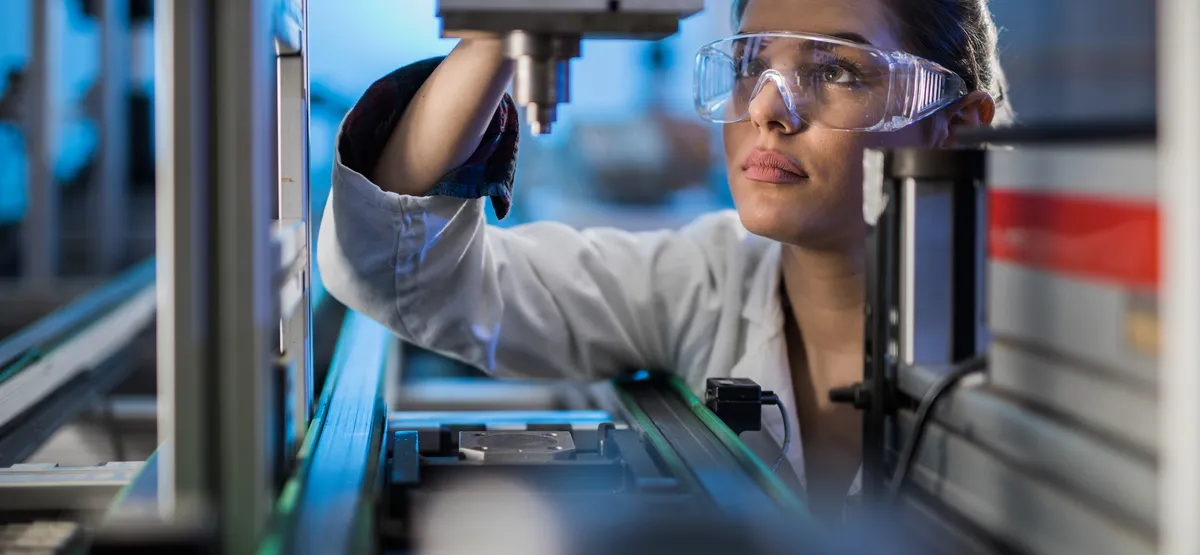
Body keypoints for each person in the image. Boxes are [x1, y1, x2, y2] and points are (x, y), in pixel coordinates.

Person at [318, 0, 1012, 519]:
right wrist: (502, 31)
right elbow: (395, 264)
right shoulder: (706, 279)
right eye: (750, 66)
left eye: (836, 70)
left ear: (957, 126)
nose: (769, 108)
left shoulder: (1051, 351)